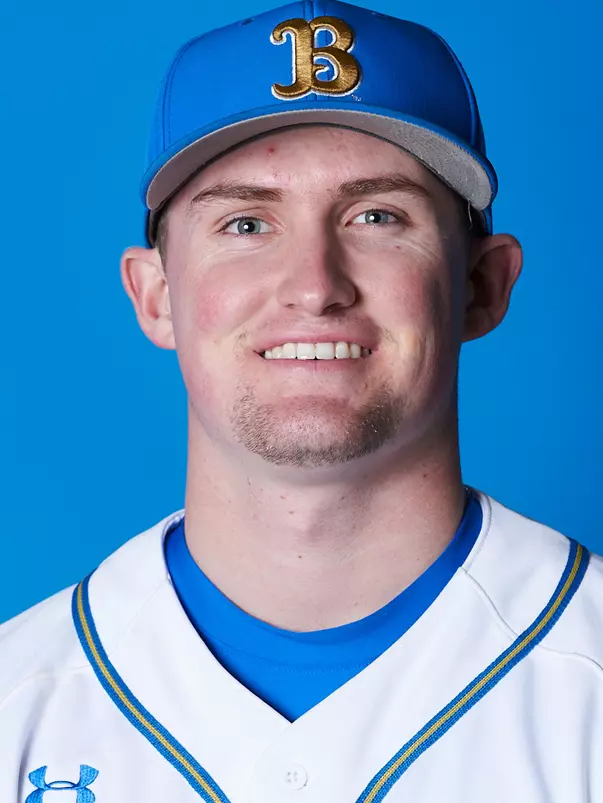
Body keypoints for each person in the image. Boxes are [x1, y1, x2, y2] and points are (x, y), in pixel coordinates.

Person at [1, 1, 602, 801]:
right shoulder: (20, 702)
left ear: (481, 286)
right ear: (154, 297)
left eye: (377, 215)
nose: (315, 285)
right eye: (247, 223)